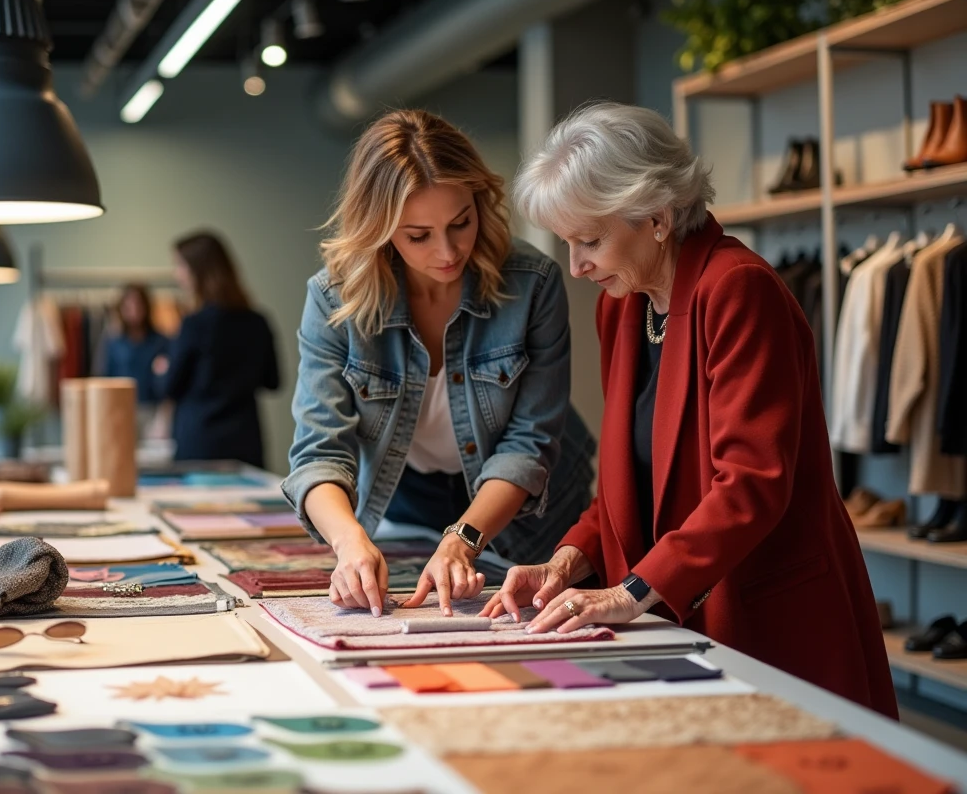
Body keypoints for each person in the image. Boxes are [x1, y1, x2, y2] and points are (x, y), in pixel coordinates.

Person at [481, 102, 897, 717]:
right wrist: (568, 561)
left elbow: (752, 484)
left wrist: (632, 592)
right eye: (568, 244)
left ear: (656, 216)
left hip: (763, 614)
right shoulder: (622, 306)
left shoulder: (737, 288)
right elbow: (630, 483)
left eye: (590, 240)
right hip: (679, 616)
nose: (576, 266)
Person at [283, 109, 596, 618]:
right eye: (418, 235)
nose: (448, 252)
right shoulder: (333, 298)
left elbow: (528, 443)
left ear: (480, 202)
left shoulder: (533, 283)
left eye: (461, 223)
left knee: (538, 635)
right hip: (411, 496)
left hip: (532, 511)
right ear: (380, 229)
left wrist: (464, 537)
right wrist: (348, 542)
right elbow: (319, 448)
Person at [159, 231, 279, 467]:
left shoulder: (193, 325)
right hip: (245, 444)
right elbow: (273, 381)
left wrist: (161, 369)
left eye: (180, 266)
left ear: (198, 270)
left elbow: (168, 387)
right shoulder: (257, 321)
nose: (177, 274)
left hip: (199, 444)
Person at [103, 283, 173, 438]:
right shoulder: (114, 343)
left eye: (137, 304)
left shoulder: (161, 342)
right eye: (128, 305)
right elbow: (106, 378)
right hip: (122, 409)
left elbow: (170, 381)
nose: (133, 309)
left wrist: (164, 416)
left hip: (153, 411)